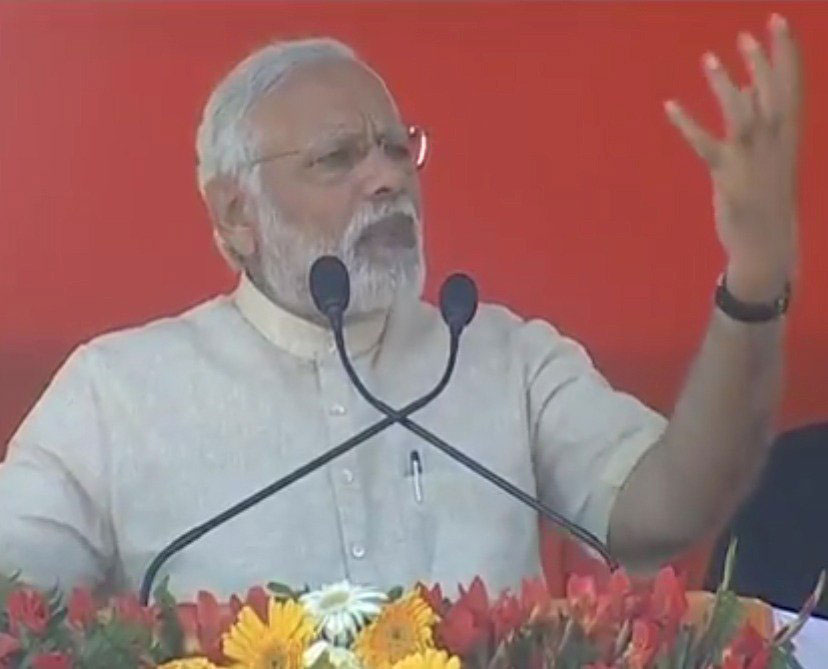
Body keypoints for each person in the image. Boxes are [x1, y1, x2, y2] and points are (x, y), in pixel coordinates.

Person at [0, 14, 802, 600]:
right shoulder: (117, 393)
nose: (386, 178)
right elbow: (16, 595)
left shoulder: (501, 356)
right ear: (235, 213)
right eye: (338, 158)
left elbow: (669, 509)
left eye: (396, 148)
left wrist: (756, 280)